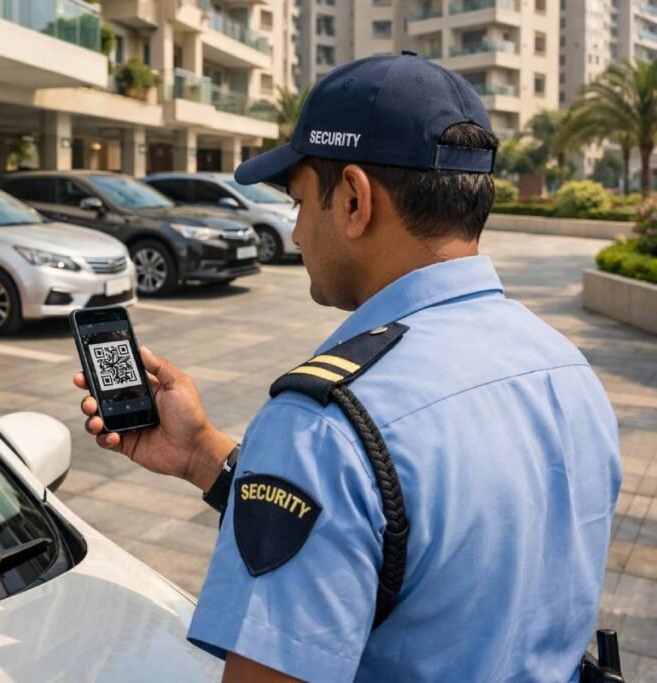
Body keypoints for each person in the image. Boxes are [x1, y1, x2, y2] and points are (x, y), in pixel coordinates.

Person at [74, 52, 622, 682]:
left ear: (355, 200)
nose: (297, 233)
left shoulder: (323, 427)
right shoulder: (564, 369)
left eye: (301, 202)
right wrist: (201, 452)